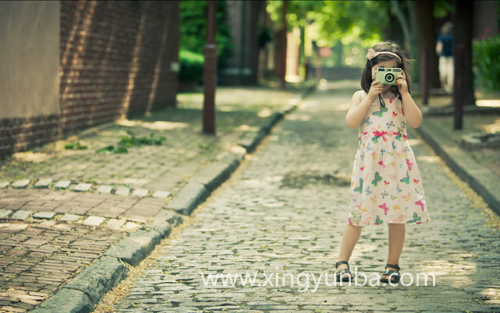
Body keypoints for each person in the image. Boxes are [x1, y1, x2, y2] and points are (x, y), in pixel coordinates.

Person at [336, 41, 431, 284]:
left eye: (392, 70)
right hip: (369, 164)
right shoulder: (360, 96)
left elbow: (416, 121)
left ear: (400, 73)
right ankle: (342, 262)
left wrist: (406, 93)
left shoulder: (401, 98)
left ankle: (392, 265)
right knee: (357, 212)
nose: (387, 75)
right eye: (381, 70)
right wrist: (370, 97)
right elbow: (351, 122)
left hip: (397, 162)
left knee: (396, 214)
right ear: (370, 71)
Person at [436, 22, 454, 93]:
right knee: (451, 73)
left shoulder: (441, 36)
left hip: (443, 56)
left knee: (442, 72)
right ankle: (450, 87)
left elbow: (439, 46)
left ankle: (444, 87)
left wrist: (438, 53)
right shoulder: (452, 36)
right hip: (451, 56)